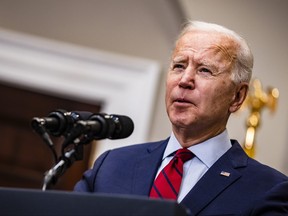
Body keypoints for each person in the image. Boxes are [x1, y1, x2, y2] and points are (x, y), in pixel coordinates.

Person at [74, 20, 288, 215]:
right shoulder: (112, 165)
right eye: (179, 66)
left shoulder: (269, 190)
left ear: (237, 96)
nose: (185, 80)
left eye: (205, 70)